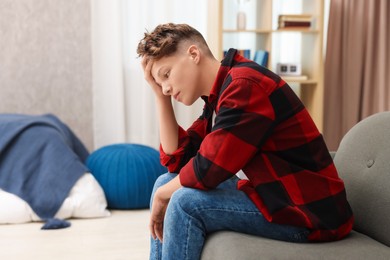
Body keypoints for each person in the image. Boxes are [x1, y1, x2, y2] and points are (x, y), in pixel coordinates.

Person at [137, 23, 353, 260]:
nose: (166, 88)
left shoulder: (245, 86)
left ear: (193, 54)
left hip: (308, 213)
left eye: (166, 75)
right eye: (160, 83)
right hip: (272, 194)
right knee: (164, 183)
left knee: (183, 202)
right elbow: (179, 160)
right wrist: (160, 97)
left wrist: (162, 196)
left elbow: (206, 170)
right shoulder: (220, 93)